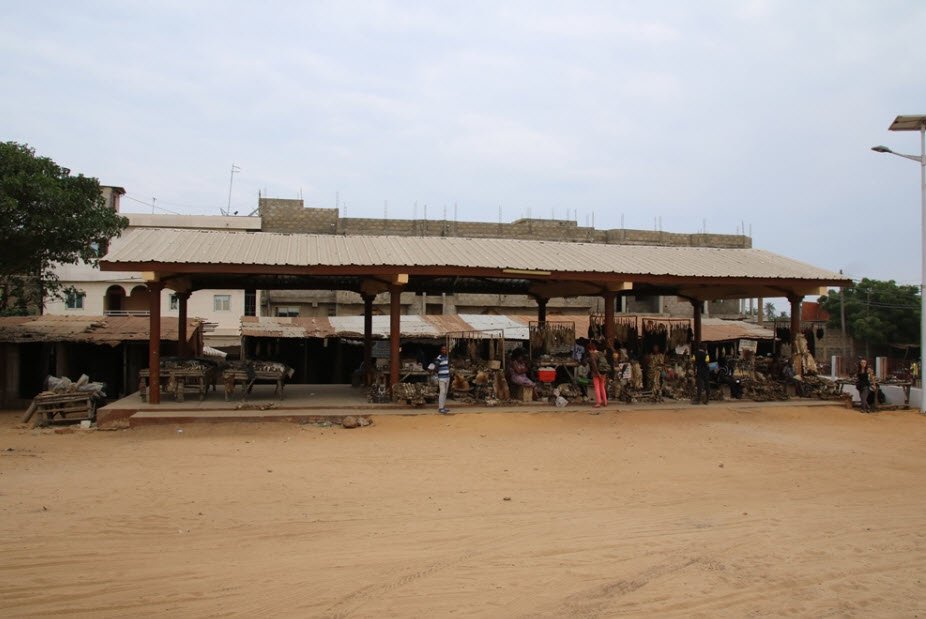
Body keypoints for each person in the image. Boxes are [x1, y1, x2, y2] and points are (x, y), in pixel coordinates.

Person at [429, 345, 451, 414]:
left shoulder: (447, 357)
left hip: (447, 377)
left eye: (445, 349)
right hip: (441, 378)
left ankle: (443, 407)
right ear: (441, 350)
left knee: (445, 393)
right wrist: (434, 370)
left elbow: (448, 366)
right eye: (443, 349)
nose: (444, 350)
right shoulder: (439, 358)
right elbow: (435, 367)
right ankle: (440, 408)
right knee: (442, 392)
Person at [587, 341, 608, 408]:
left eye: (589, 350)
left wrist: (597, 373)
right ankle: (605, 401)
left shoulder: (593, 355)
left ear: (590, 349)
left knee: (597, 387)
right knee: (602, 387)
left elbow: (594, 365)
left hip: (596, 373)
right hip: (603, 372)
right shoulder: (601, 353)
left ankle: (598, 402)